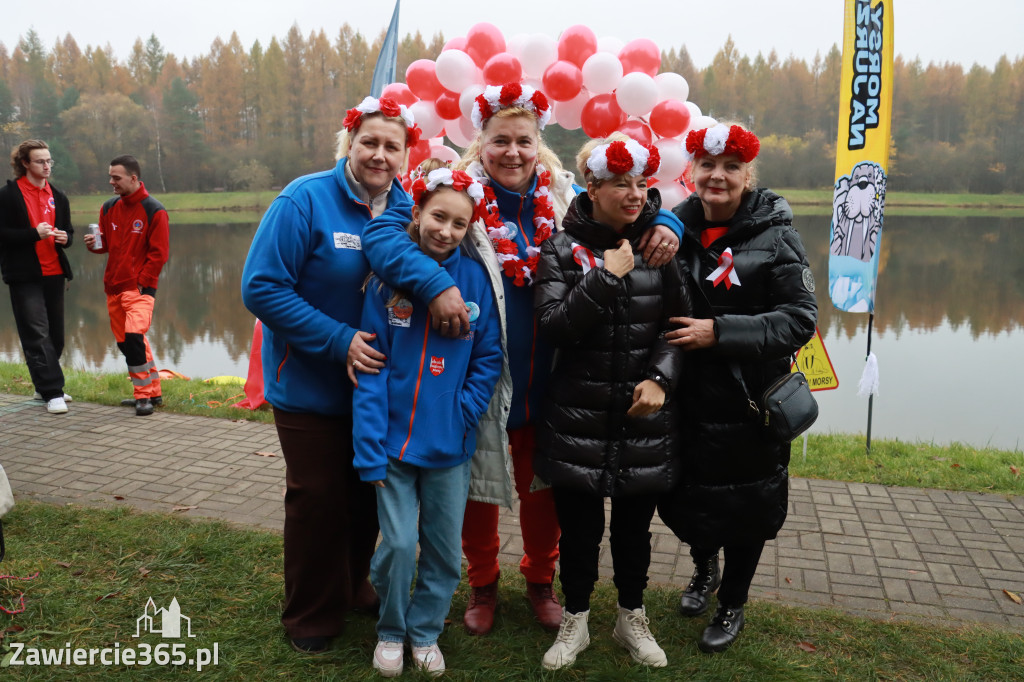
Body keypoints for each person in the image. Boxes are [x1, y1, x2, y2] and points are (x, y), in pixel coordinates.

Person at [362, 83, 683, 637]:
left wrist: (669, 224)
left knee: (544, 491)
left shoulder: (564, 196)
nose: (513, 153)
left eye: (524, 142)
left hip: (556, 376)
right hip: (482, 373)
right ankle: (483, 583)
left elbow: (632, 208)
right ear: (479, 144)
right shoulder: (454, 193)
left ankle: (540, 580)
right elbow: (386, 233)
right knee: (478, 489)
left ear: (541, 145)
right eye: (500, 141)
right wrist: (436, 284)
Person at [240, 96, 419, 655]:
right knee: (318, 499)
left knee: (368, 493)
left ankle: (353, 582)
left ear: (406, 154)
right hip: (310, 387)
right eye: (370, 142)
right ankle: (311, 612)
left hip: (380, 390)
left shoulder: (411, 208)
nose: (380, 155)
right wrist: (340, 341)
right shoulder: (304, 199)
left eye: (392, 146)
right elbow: (262, 286)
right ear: (349, 143)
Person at [532, 135, 692, 670]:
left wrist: (662, 380)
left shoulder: (660, 246)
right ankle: (575, 619)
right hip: (577, 414)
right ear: (592, 187)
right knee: (578, 530)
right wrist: (606, 277)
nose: (633, 193)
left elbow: (678, 328)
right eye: (620, 183)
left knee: (632, 528)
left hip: (642, 416)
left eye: (641, 183)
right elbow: (554, 326)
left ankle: (631, 616)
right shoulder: (559, 248)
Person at [659, 122, 817, 653]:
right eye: (708, 165)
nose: (718, 176)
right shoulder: (670, 231)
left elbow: (799, 319)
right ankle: (704, 569)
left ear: (748, 175)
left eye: (731, 167)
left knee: (746, 509)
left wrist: (720, 332)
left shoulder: (777, 234)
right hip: (684, 399)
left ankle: (732, 601)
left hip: (750, 403)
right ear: (692, 172)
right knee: (686, 501)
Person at [354, 164, 503, 677]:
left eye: (459, 224)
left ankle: (425, 630)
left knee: (442, 549)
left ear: (469, 230)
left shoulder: (475, 281)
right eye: (437, 216)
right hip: (392, 445)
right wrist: (369, 441)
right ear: (416, 213)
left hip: (450, 447)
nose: (445, 230)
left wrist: (464, 412)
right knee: (397, 544)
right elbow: (370, 370)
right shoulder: (386, 282)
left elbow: (488, 357)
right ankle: (391, 629)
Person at [83, 155, 170, 417]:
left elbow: (159, 254)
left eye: (116, 177)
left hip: (140, 288)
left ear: (133, 178)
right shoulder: (108, 207)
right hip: (113, 286)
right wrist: (94, 246)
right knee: (126, 343)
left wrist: (143, 284)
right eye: (110, 177)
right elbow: (107, 245)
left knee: (133, 338)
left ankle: (142, 397)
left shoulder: (155, 210)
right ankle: (153, 392)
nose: (112, 182)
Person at [0, 140, 74, 415]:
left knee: (56, 336)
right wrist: (33, 234)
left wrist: (66, 238)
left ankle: (44, 386)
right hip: (24, 275)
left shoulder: (59, 196)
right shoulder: (8, 196)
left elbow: (67, 232)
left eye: (49, 161)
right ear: (25, 164)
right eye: (41, 161)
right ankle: (53, 392)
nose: (47, 166)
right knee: (36, 334)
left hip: (54, 272)